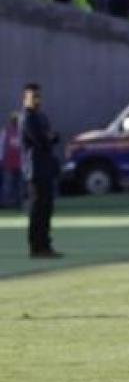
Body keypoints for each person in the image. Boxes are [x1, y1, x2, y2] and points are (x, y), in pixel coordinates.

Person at [21, 83, 62, 258]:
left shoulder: (41, 116)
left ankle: (45, 244)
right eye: (32, 97)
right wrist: (49, 138)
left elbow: (52, 137)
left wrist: (51, 137)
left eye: (38, 96)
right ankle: (36, 247)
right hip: (35, 170)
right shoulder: (28, 118)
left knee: (46, 208)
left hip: (45, 167)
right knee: (38, 209)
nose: (36, 100)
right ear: (25, 98)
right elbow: (41, 140)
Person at [2, 112, 24, 209]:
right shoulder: (6, 131)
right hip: (9, 163)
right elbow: (1, 146)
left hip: (20, 163)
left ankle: (18, 202)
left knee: (19, 184)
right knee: (8, 184)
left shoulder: (23, 132)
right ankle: (6, 203)